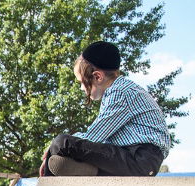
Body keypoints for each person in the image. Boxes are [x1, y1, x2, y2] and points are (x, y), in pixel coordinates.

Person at [39, 41, 170, 177]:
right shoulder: (124, 89)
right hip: (133, 158)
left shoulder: (120, 92)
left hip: (138, 159)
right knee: (58, 161)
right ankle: (91, 172)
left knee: (62, 142)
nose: (81, 89)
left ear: (97, 76)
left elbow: (93, 137)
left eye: (81, 83)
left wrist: (53, 148)